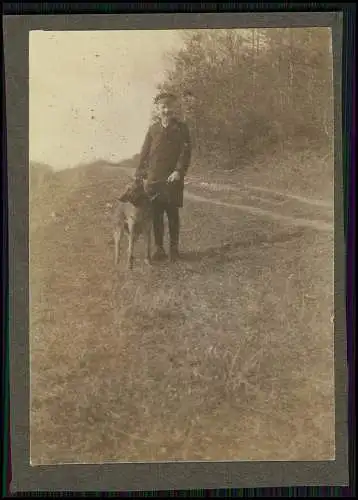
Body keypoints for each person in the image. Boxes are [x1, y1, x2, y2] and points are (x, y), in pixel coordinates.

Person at [135, 91, 192, 262]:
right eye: (163, 107)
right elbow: (144, 152)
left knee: (172, 214)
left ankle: (174, 250)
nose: (166, 110)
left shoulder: (182, 128)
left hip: (172, 179)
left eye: (170, 107)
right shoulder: (153, 129)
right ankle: (159, 249)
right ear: (158, 109)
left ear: (175, 108)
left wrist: (178, 171)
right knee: (156, 215)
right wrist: (139, 173)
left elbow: (185, 152)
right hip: (154, 179)